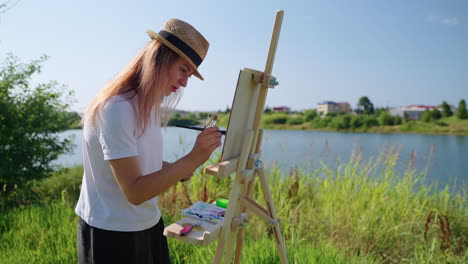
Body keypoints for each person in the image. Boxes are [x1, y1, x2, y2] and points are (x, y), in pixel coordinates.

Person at [75, 18, 222, 264]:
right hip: (113, 235)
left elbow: (139, 161)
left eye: (190, 73)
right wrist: (191, 159)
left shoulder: (147, 105)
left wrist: (174, 169)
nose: (185, 82)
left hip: (148, 224)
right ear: (158, 59)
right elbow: (135, 191)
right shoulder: (118, 109)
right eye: (183, 69)